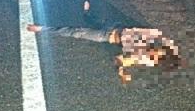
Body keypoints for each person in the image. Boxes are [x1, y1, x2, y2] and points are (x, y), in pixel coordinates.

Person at [26, 23, 185, 84]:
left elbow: (120, 59)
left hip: (107, 36)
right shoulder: (156, 38)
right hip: (117, 25)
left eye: (157, 58)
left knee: (76, 32)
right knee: (91, 20)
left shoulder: (146, 58)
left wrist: (122, 71)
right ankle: (87, 13)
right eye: (160, 52)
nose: (155, 54)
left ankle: (42, 29)